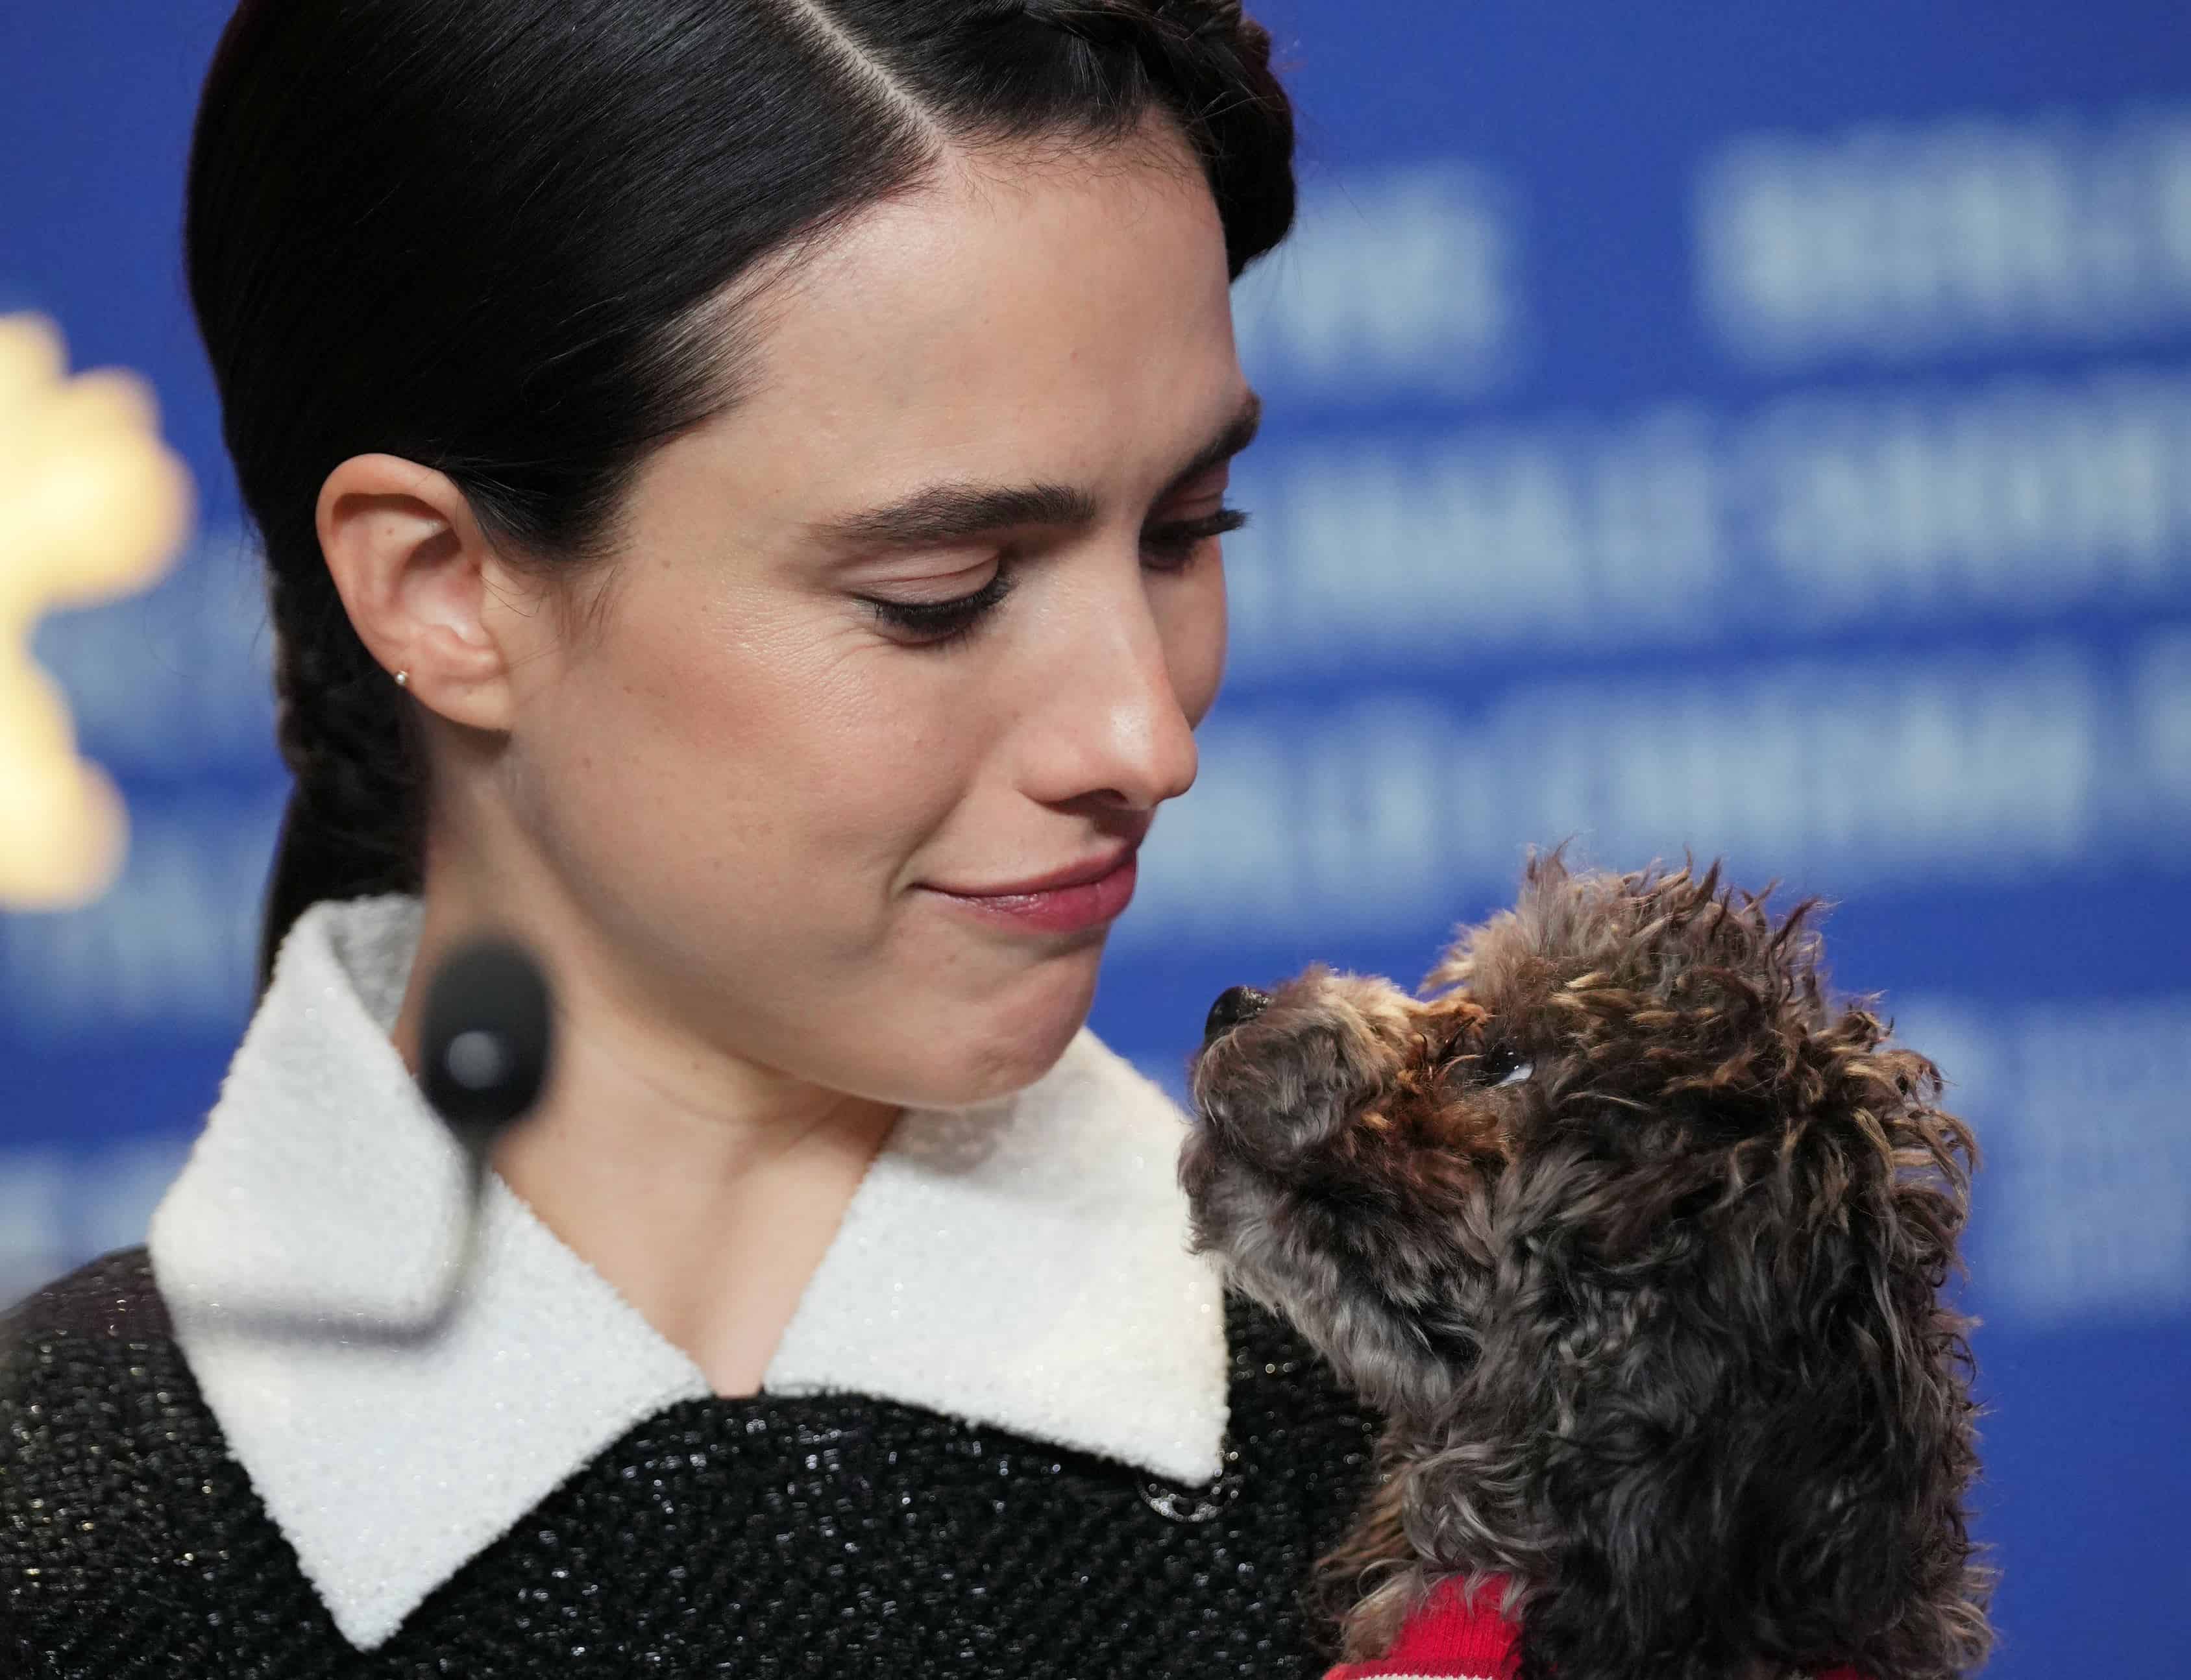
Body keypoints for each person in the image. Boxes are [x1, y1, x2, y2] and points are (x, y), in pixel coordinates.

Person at [0, 1, 1383, 1673]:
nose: (1145, 737)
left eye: (1186, 530)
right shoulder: (63, 1555)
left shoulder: (1518, 1459)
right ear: (442, 590)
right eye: (937, 600)